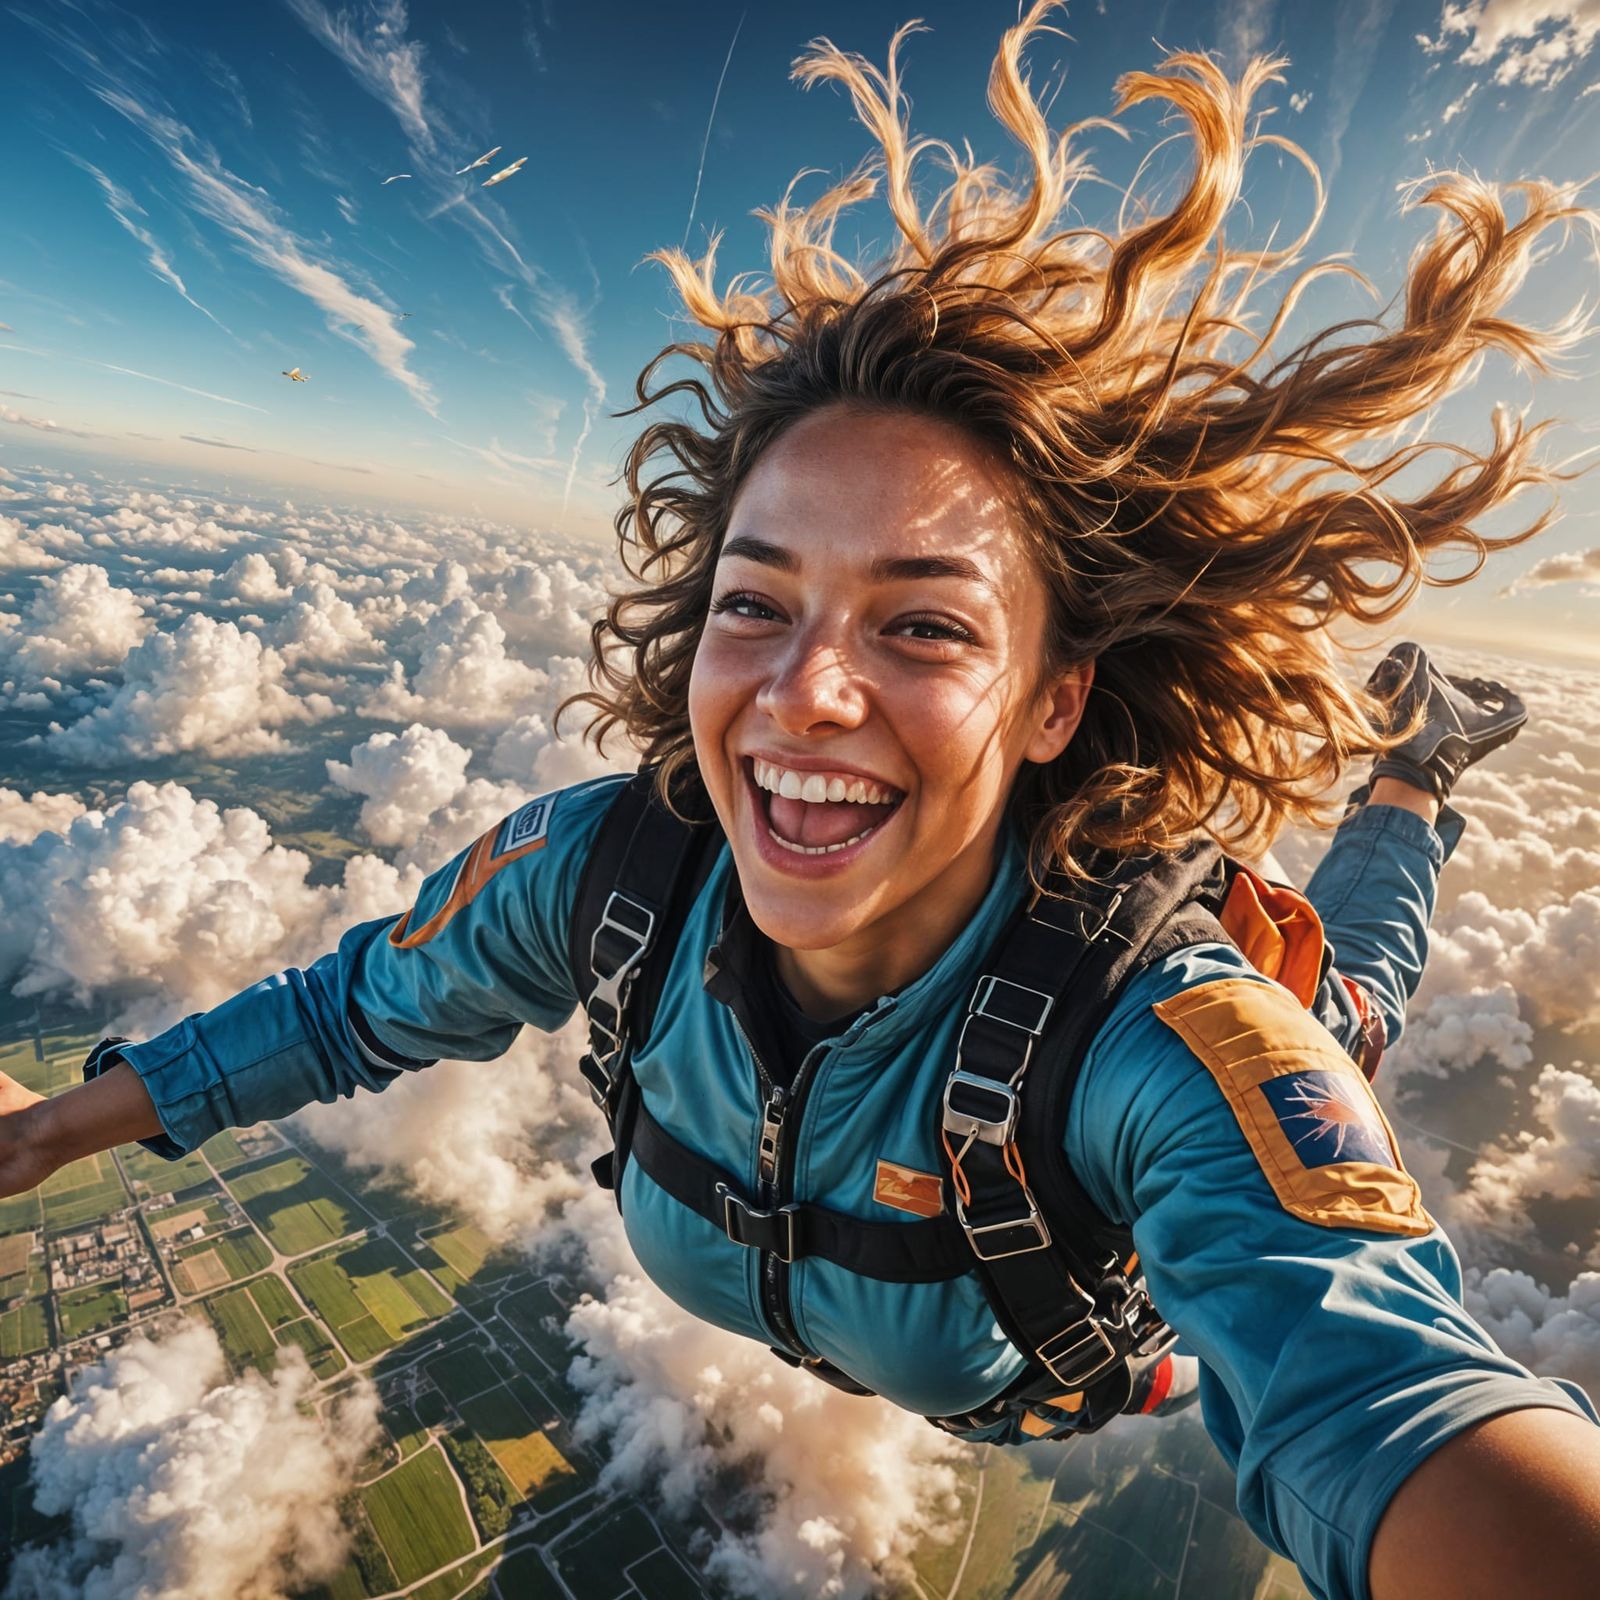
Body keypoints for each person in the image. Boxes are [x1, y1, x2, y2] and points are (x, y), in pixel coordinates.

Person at [3, 7, 1599, 1597]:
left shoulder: (1161, 1049)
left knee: (1353, 1005)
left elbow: (1395, 1410)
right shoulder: (605, 874)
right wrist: (51, 1125)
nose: (803, 693)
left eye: (922, 624)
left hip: (1081, 1325)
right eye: (755, 604)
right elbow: (358, 1007)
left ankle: (1413, 766)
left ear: (1055, 701)